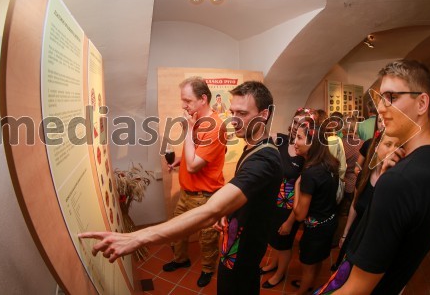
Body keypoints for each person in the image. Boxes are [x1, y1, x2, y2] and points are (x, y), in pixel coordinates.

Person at [79, 81, 282, 295]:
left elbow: (210, 210)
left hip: (244, 254)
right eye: (232, 112)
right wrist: (231, 212)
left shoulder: (265, 160)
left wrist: (137, 237)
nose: (234, 120)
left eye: (242, 113)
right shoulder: (253, 148)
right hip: (234, 247)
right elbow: (249, 194)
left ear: (264, 114)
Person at [314, 59, 430, 295]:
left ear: (422, 103)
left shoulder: (402, 180)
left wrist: (390, 181)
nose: (381, 108)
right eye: (380, 98)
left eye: (392, 97)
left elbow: (356, 288)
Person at [160, 77, 227, 287]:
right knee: (177, 231)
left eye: (188, 101)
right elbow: (192, 156)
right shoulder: (196, 121)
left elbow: (194, 166)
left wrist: (188, 131)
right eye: (183, 101)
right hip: (186, 193)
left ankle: (208, 269)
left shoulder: (215, 127)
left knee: (207, 239)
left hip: (205, 197)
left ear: (203, 99)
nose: (184, 106)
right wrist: (179, 160)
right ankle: (181, 259)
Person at [331, 133, 400, 271]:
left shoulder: (394, 183)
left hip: (371, 241)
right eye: (387, 144)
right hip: (354, 233)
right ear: (375, 147)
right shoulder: (365, 174)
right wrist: (345, 233)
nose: (392, 151)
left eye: (397, 146)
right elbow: (355, 206)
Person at [259, 108, 310, 289]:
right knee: (273, 237)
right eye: (295, 122)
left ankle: (279, 274)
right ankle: (273, 264)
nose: (297, 127)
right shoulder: (280, 140)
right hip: (272, 202)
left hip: (289, 208)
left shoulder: (306, 153)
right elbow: (263, 134)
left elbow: (304, 191)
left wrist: (290, 220)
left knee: (284, 242)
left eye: (302, 124)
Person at [290, 119, 340, 295]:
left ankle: (303, 291)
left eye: (299, 138)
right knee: (316, 260)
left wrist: (297, 185)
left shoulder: (310, 174)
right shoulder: (330, 163)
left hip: (316, 228)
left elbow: (299, 215)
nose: (295, 142)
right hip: (329, 222)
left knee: (308, 263)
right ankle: (308, 283)